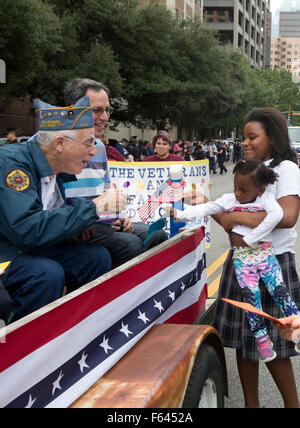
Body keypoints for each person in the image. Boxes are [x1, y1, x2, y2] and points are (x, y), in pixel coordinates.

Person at [0, 96, 128, 322]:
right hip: (7, 252)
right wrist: (93, 208)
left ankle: (78, 329)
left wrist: (77, 228)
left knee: (95, 257)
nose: (92, 151)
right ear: (59, 143)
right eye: (88, 143)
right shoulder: (12, 164)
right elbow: (25, 228)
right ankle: (26, 347)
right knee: (45, 274)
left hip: (31, 247)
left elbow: (48, 218)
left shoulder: (56, 168)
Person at [168, 159, 300, 363]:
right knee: (251, 300)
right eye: (236, 187)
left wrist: (252, 238)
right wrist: (181, 214)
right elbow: (208, 208)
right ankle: (261, 339)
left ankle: (296, 329)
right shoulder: (230, 200)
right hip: (242, 261)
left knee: (279, 292)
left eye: (243, 190)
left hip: (265, 256)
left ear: (260, 188)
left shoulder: (266, 199)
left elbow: (277, 215)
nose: (238, 193)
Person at [213, 108, 300, 408]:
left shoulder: (286, 168)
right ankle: (252, 405)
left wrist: (235, 215)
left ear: (272, 138)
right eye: (244, 137)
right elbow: (227, 217)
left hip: (272, 264)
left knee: (276, 344)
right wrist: (213, 209)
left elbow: (288, 216)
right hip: (240, 262)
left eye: (252, 137)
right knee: (242, 341)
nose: (245, 142)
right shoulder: (248, 169)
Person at [63, 78, 168, 268]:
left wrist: (121, 215)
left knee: (157, 234)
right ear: (73, 109)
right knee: (130, 245)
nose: (104, 117)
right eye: (97, 110)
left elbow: (106, 192)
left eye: (107, 110)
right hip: (72, 228)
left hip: (101, 223)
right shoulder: (55, 147)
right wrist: (77, 222)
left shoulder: (100, 148)